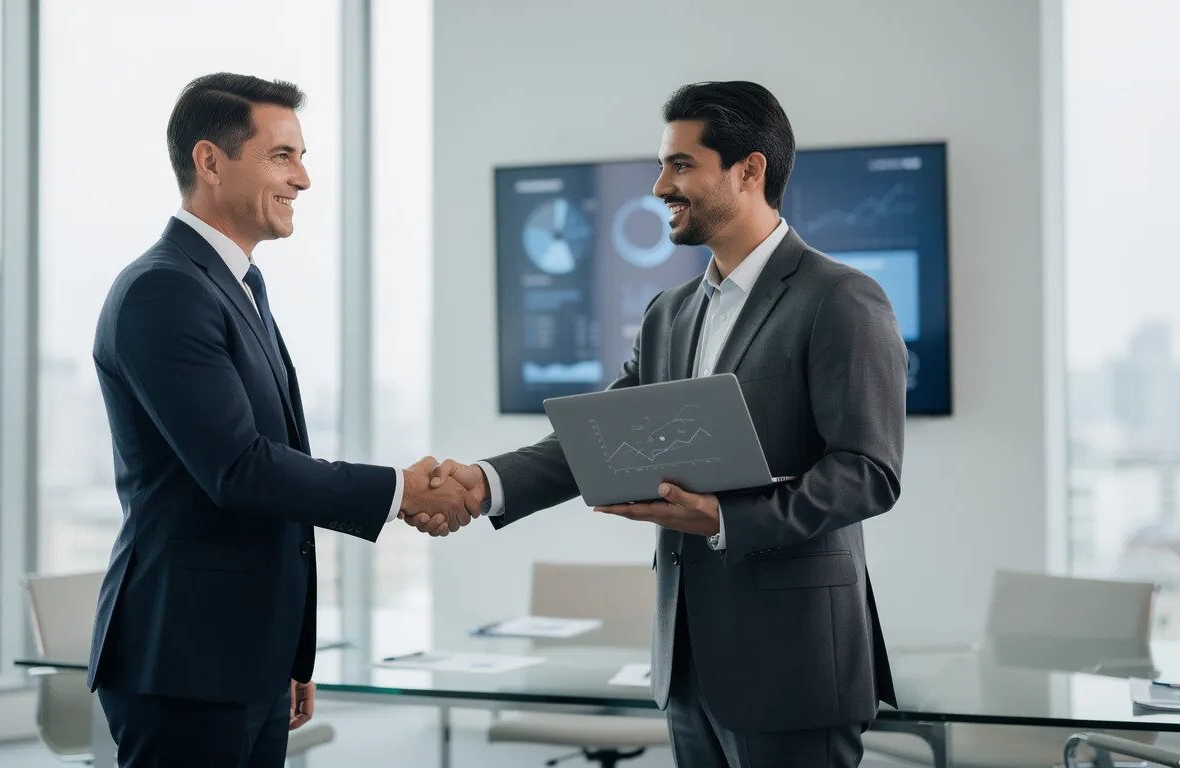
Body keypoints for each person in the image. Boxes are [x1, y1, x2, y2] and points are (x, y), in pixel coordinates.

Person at [431, 80, 907, 767]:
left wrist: (726, 519)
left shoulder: (839, 299)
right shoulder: (670, 311)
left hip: (795, 665)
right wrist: (481, 484)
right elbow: (600, 439)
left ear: (750, 171)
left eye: (681, 165)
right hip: (687, 666)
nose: (659, 186)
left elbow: (868, 472)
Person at [86, 72, 469, 767]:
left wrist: (290, 652)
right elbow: (239, 469)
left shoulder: (237, 287)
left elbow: (267, 479)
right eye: (283, 156)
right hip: (186, 662)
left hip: (245, 658)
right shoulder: (164, 289)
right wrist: (400, 490)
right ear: (210, 161)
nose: (304, 179)